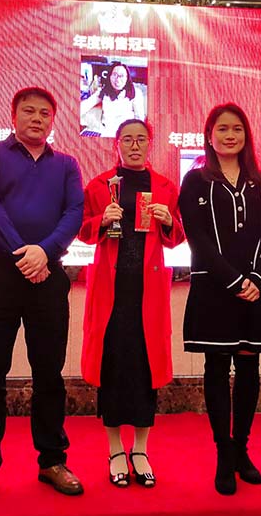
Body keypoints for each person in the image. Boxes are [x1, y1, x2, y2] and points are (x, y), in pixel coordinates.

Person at [0, 87, 84, 506]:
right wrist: (24, 254)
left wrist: (44, 253)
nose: (37, 118)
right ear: (13, 116)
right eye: (29, 111)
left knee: (49, 374)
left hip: (48, 278)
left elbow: (74, 213)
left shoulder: (66, 165)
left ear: (53, 121)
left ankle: (53, 461)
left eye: (45, 113)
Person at [178, 103, 261, 495]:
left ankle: (242, 449)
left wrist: (258, 278)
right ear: (209, 136)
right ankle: (223, 452)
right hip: (214, 288)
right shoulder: (195, 181)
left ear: (246, 135)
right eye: (221, 129)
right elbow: (198, 238)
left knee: (249, 366)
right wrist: (234, 279)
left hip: (256, 289)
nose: (229, 135)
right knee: (217, 367)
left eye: (236, 129)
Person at [77, 119, 186, 488]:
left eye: (141, 139)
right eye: (127, 139)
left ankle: (140, 449)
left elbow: (177, 236)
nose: (134, 145)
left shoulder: (166, 187)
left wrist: (168, 221)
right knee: (111, 366)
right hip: (110, 291)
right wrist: (101, 221)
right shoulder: (99, 186)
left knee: (144, 368)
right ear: (117, 144)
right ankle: (114, 450)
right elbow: (83, 230)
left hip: (148, 291)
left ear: (150, 143)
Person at [80, 62, 147, 137]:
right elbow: (87, 104)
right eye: (114, 75)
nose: (117, 79)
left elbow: (139, 119)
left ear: (127, 78)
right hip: (105, 132)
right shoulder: (104, 91)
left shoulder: (135, 92)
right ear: (110, 76)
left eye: (121, 76)